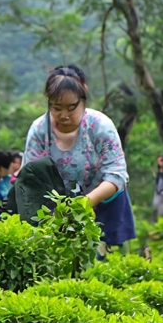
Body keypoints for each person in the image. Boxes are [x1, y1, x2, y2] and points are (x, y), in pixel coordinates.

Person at [24, 64, 135, 248]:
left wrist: (85, 204)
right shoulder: (39, 130)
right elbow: (31, 179)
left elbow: (117, 174)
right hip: (57, 211)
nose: (64, 115)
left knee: (107, 265)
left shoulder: (100, 125)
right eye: (57, 108)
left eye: (71, 107)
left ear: (82, 101)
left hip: (106, 203)